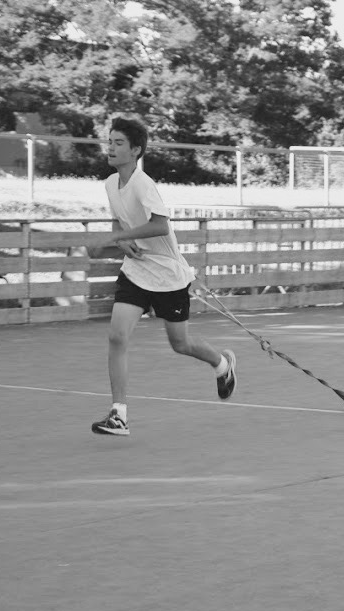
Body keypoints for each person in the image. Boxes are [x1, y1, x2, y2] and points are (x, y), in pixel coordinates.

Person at [89, 117, 237, 436]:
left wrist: (114, 240)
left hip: (168, 274)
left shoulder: (144, 184)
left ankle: (222, 364)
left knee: (179, 343)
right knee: (117, 337)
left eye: (118, 143)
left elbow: (161, 225)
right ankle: (119, 415)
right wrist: (123, 240)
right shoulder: (109, 184)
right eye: (109, 141)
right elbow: (119, 223)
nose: (110, 147)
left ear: (135, 151)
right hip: (136, 272)